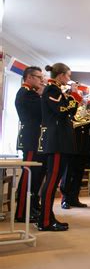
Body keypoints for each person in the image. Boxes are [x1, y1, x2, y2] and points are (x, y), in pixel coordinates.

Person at [37, 63, 82, 231]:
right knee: (52, 181)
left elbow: (66, 111)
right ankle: (45, 221)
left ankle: (48, 216)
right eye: (68, 75)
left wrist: (71, 97)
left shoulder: (55, 90)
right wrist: (75, 96)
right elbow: (62, 110)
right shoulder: (51, 90)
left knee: (53, 180)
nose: (69, 79)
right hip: (57, 142)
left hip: (60, 141)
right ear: (61, 75)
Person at [14, 67, 48, 223]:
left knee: (36, 176)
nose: (41, 80)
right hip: (30, 140)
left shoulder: (32, 94)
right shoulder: (26, 94)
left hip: (37, 140)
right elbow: (42, 111)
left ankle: (32, 206)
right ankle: (21, 212)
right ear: (28, 77)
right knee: (29, 175)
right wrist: (44, 92)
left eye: (41, 77)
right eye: (38, 77)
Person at [60, 107, 90, 209]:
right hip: (71, 146)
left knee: (78, 175)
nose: (81, 102)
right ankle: (65, 199)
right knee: (67, 174)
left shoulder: (86, 112)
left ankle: (74, 199)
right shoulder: (70, 109)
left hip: (83, 148)